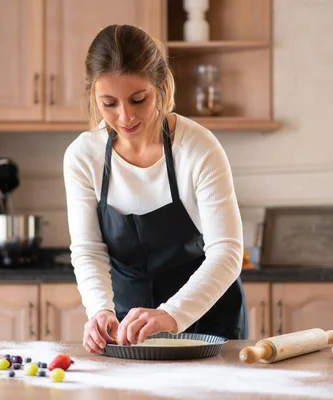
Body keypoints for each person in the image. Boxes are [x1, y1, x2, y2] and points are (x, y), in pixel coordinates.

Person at [63, 24, 247, 354]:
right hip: (126, 327)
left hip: (206, 320)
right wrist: (100, 311)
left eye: (138, 99)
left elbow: (227, 252)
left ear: (161, 86)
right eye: (108, 103)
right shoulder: (82, 156)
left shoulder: (198, 148)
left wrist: (171, 314)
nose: (125, 117)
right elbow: (89, 249)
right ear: (93, 96)